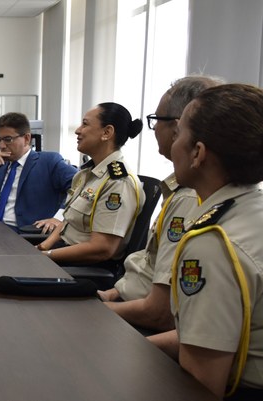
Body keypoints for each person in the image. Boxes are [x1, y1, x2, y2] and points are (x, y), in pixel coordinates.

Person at [147, 84, 263, 400]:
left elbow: (201, 383)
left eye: (179, 132)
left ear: (198, 153)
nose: (172, 144)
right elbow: (212, 337)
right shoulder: (252, 210)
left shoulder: (212, 242)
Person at [99, 76, 222, 333]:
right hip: (125, 300)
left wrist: (96, 311)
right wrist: (111, 295)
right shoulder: (181, 190)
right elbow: (147, 269)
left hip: (141, 323)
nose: (153, 129)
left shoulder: (190, 197)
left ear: (178, 128)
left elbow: (160, 314)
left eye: (156, 120)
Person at [37, 102, 145, 265]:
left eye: (85, 124)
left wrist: (48, 255)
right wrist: (43, 246)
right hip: (62, 254)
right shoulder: (87, 174)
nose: (77, 130)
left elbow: (103, 248)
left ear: (107, 132)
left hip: (83, 268)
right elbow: (69, 221)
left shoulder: (118, 182)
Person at [0, 112, 77, 230]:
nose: (2, 145)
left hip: (25, 232)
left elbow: (79, 187)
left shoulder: (49, 161)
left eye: (8, 139)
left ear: (27, 138)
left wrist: (59, 218)